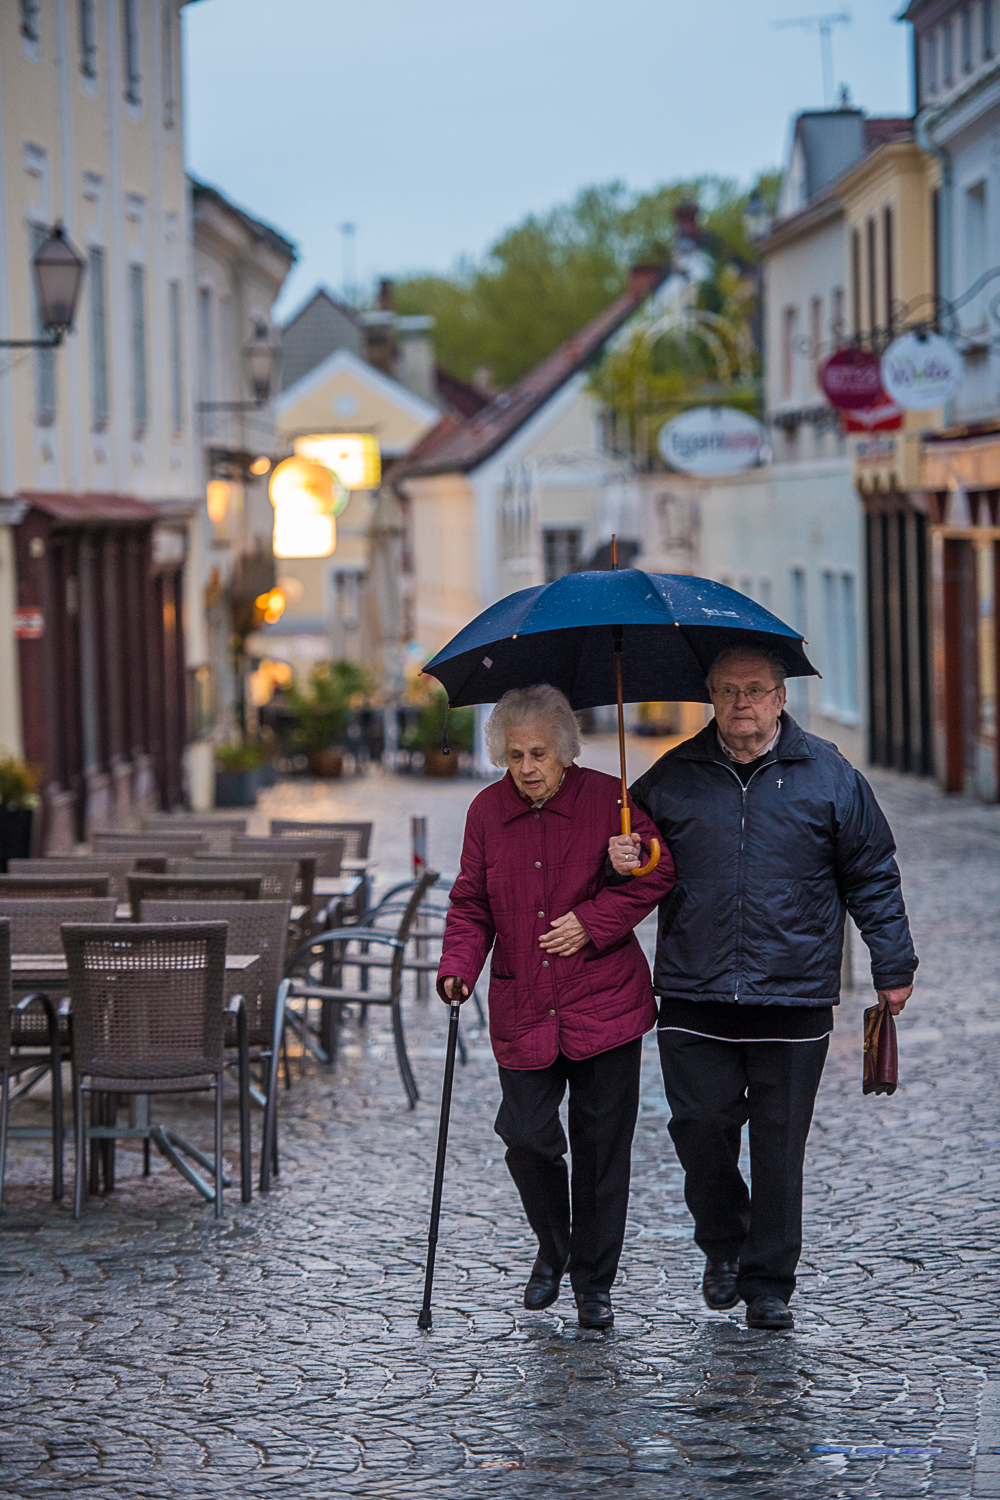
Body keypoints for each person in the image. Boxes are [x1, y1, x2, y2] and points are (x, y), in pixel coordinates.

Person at [609, 647, 917, 1332]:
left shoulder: (830, 776)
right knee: (699, 1128)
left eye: (754, 691)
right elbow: (633, 875)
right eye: (726, 691)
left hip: (795, 989)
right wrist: (622, 858)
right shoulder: (671, 779)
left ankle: (769, 1281)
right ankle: (723, 1243)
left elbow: (871, 873)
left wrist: (891, 964)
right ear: (710, 699)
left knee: (780, 1146)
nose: (740, 703)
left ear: (781, 698)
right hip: (696, 989)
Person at [438, 684, 674, 1329]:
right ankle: (556, 1245)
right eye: (515, 755)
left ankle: (593, 1284)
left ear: (566, 751)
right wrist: (458, 966)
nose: (528, 767)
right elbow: (471, 903)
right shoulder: (487, 813)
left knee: (602, 1150)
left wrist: (598, 913)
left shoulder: (609, 800)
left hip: (604, 1002)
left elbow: (657, 869)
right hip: (524, 1000)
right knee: (526, 1136)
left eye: (539, 752)